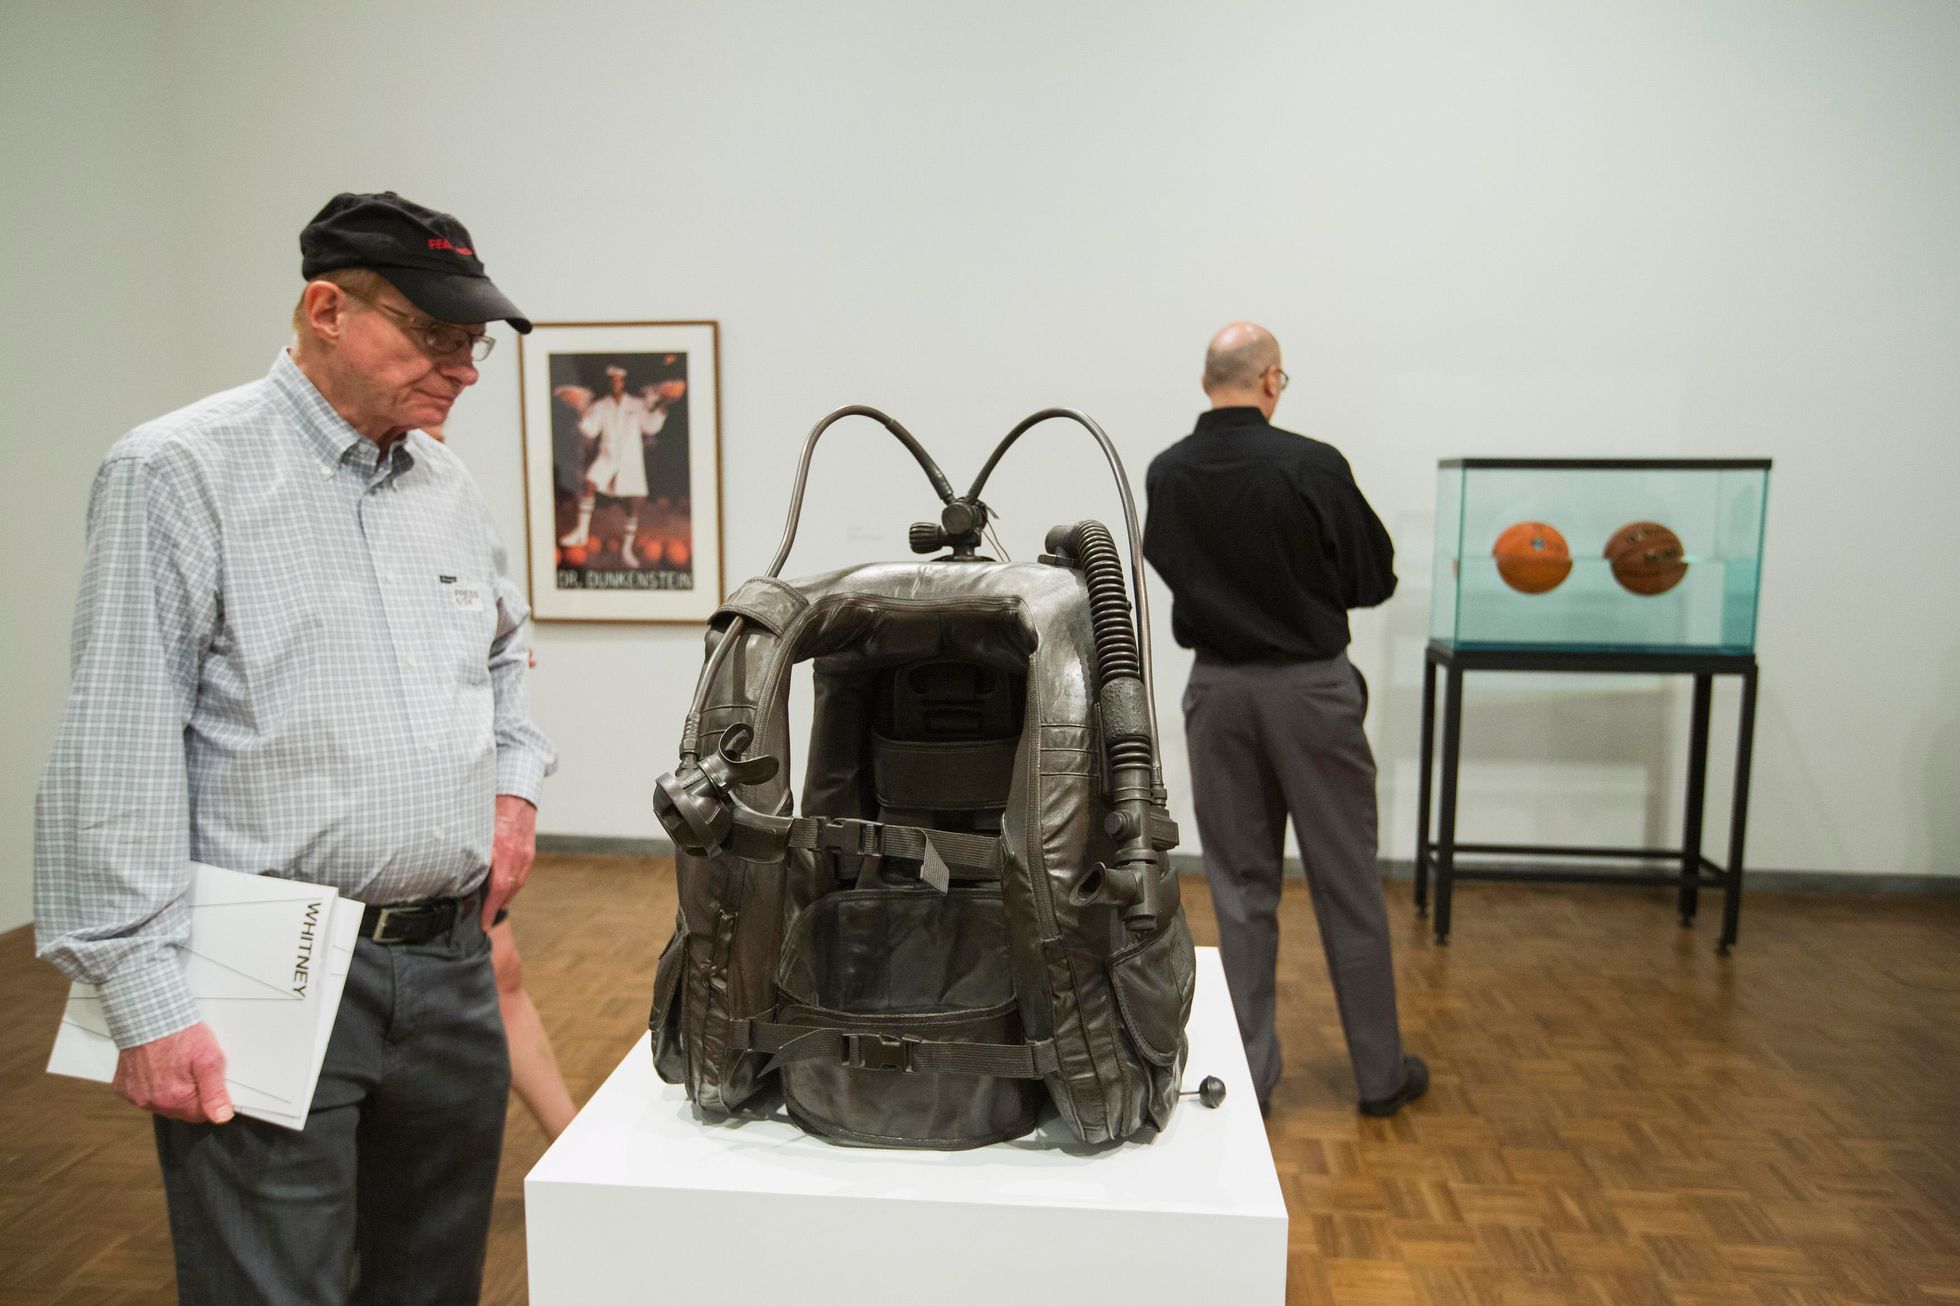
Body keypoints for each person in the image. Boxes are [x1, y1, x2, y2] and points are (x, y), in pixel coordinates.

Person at [34, 190, 557, 1304]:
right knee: (276, 1286)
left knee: (431, 1277)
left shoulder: (445, 485)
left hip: (452, 964)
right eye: (437, 336)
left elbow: (506, 654)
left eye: (474, 345)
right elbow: (114, 746)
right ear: (328, 309)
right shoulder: (178, 471)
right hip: (261, 959)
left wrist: (513, 790)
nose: (464, 369)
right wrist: (144, 1000)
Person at [1142, 321, 1427, 1119]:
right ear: (1271, 380)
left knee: (1237, 888)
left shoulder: (1169, 473)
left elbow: (1166, 562)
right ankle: (1378, 1076)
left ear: (1208, 382)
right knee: (1347, 882)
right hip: (1310, 692)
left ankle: (1249, 1076)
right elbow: (1374, 576)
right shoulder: (1310, 464)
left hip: (1218, 695)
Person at [426, 420, 579, 1142]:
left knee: (501, 969)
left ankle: (572, 1142)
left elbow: (500, 637)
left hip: (447, 816)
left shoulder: (444, 502)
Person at [554, 363, 679, 567]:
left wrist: (662, 408)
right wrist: (582, 412)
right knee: (590, 483)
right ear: (609, 383)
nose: (616, 384)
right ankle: (582, 532)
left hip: (630, 461)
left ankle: (626, 549)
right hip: (607, 456)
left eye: (619, 380)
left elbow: (650, 427)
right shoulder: (600, 406)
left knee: (635, 504)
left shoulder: (637, 405)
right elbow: (591, 431)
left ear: (623, 382)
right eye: (612, 381)